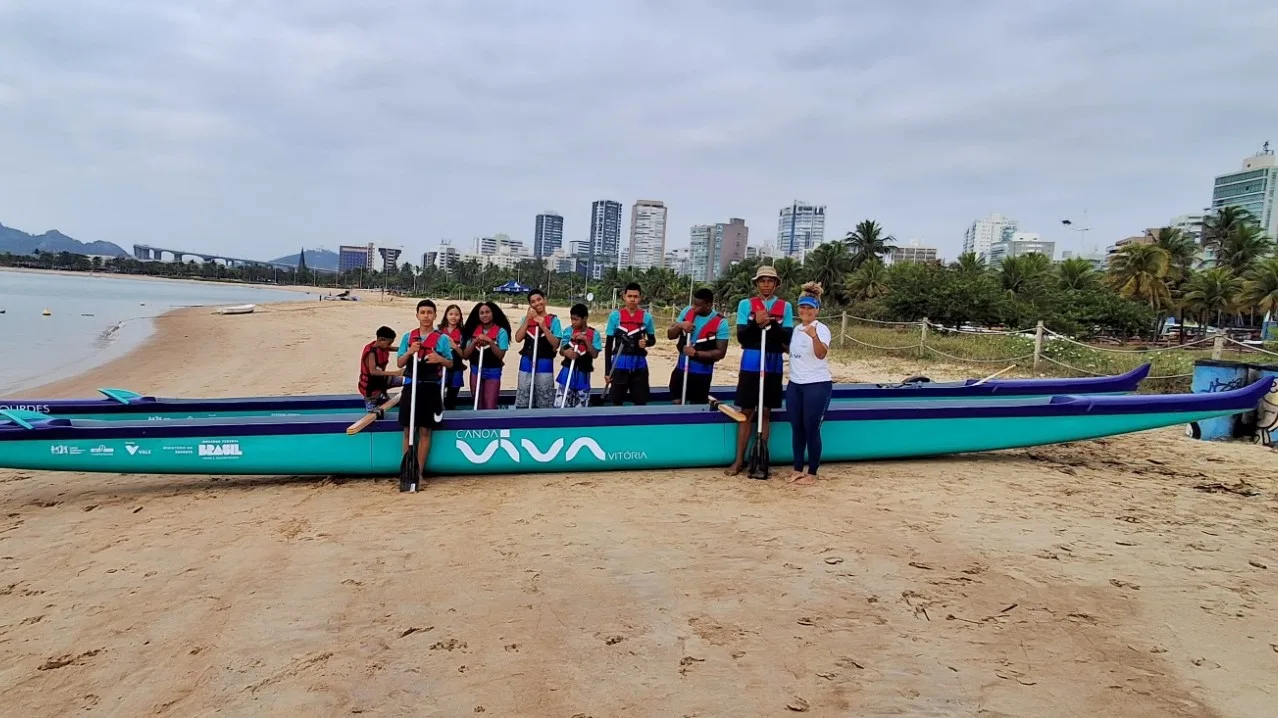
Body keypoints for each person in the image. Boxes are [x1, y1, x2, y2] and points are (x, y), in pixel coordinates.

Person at [726, 265, 794, 477]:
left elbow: (787, 337)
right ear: (756, 284)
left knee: (765, 411)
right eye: (762, 281)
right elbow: (742, 337)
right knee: (747, 411)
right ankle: (739, 460)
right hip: (751, 363)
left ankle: (761, 460)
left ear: (775, 284)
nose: (766, 284)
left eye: (770, 281)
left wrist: (771, 325)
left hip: (772, 364)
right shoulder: (746, 304)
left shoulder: (785, 307)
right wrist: (756, 324)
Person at [396, 300, 454, 485]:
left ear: (435, 315)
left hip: (430, 387)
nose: (426, 316)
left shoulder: (442, 339)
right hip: (411, 386)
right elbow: (399, 363)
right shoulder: (408, 337)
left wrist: (439, 358)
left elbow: (451, 363)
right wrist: (410, 351)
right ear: (417, 315)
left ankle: (419, 473)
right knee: (408, 430)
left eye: (430, 312)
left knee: (425, 430)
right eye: (423, 312)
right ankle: (408, 471)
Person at [785, 282, 833, 485]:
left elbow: (821, 353)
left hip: (816, 384)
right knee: (796, 427)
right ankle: (797, 468)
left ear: (817, 310)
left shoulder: (821, 329)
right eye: (802, 307)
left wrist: (814, 336)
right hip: (795, 384)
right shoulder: (796, 329)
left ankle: (812, 472)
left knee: (811, 427)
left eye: (810, 308)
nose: (805, 311)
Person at [666, 287, 729, 405]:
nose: (694, 307)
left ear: (709, 305)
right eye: (693, 304)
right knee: (676, 400)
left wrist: (695, 353)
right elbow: (670, 335)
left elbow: (721, 353)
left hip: (701, 374)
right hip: (681, 369)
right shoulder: (687, 312)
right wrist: (680, 325)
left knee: (697, 404)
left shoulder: (721, 322)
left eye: (698, 305)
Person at [604, 282, 657, 405]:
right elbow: (608, 346)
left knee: (641, 401)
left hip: (639, 367)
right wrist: (607, 372)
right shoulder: (614, 317)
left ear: (640, 297)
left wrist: (646, 343)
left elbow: (653, 340)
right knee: (616, 401)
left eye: (636, 296)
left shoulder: (647, 317)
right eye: (630, 296)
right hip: (619, 366)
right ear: (624, 296)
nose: (632, 299)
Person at [513, 289, 562, 408]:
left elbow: (555, 344)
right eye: (533, 302)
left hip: (545, 362)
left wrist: (544, 327)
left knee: (544, 396)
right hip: (526, 361)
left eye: (539, 299)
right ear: (530, 305)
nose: (537, 303)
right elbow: (518, 338)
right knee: (524, 392)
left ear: (544, 300)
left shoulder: (554, 321)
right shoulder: (525, 320)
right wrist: (527, 320)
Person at [460, 301, 511, 410]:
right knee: (477, 403)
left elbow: (500, 355)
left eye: (487, 312)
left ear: (493, 313)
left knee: (490, 405)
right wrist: (474, 342)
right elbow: (465, 356)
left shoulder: (501, 332)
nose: (485, 315)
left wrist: (490, 342)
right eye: (482, 313)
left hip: (493, 371)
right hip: (475, 370)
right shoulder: (473, 330)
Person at [556, 303, 602, 408]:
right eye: (571, 319)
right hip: (567, 373)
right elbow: (562, 350)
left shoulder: (594, 334)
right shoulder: (568, 331)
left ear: (584, 318)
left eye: (576, 319)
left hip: (583, 373)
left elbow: (594, 354)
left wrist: (586, 340)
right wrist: (566, 352)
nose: (573, 322)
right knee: (561, 403)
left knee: (581, 404)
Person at [358, 325, 404, 413]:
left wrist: (403, 349)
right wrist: (396, 373)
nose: (389, 346)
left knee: (405, 381)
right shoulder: (371, 353)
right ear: (380, 339)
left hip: (382, 380)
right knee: (373, 410)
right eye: (389, 343)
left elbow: (388, 348)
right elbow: (373, 372)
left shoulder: (381, 346)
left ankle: (383, 393)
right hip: (371, 386)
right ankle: (371, 404)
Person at [438, 304, 466, 410]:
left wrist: (454, 346)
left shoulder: (463, 332)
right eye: (451, 314)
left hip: (457, 368)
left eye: (456, 315)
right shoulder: (438, 330)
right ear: (446, 316)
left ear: (460, 317)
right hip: (439, 368)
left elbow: (464, 355)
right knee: (437, 394)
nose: (453, 317)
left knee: (452, 396)